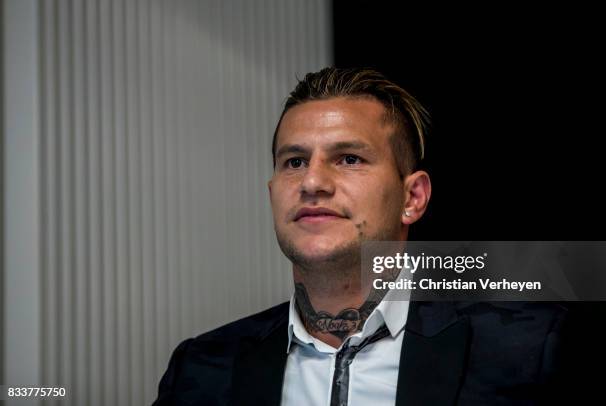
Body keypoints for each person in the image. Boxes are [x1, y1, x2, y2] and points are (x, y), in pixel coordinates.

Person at [152, 67, 567, 406]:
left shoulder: (529, 349)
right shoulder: (200, 369)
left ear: (413, 197)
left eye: (349, 158)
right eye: (294, 161)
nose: (312, 181)